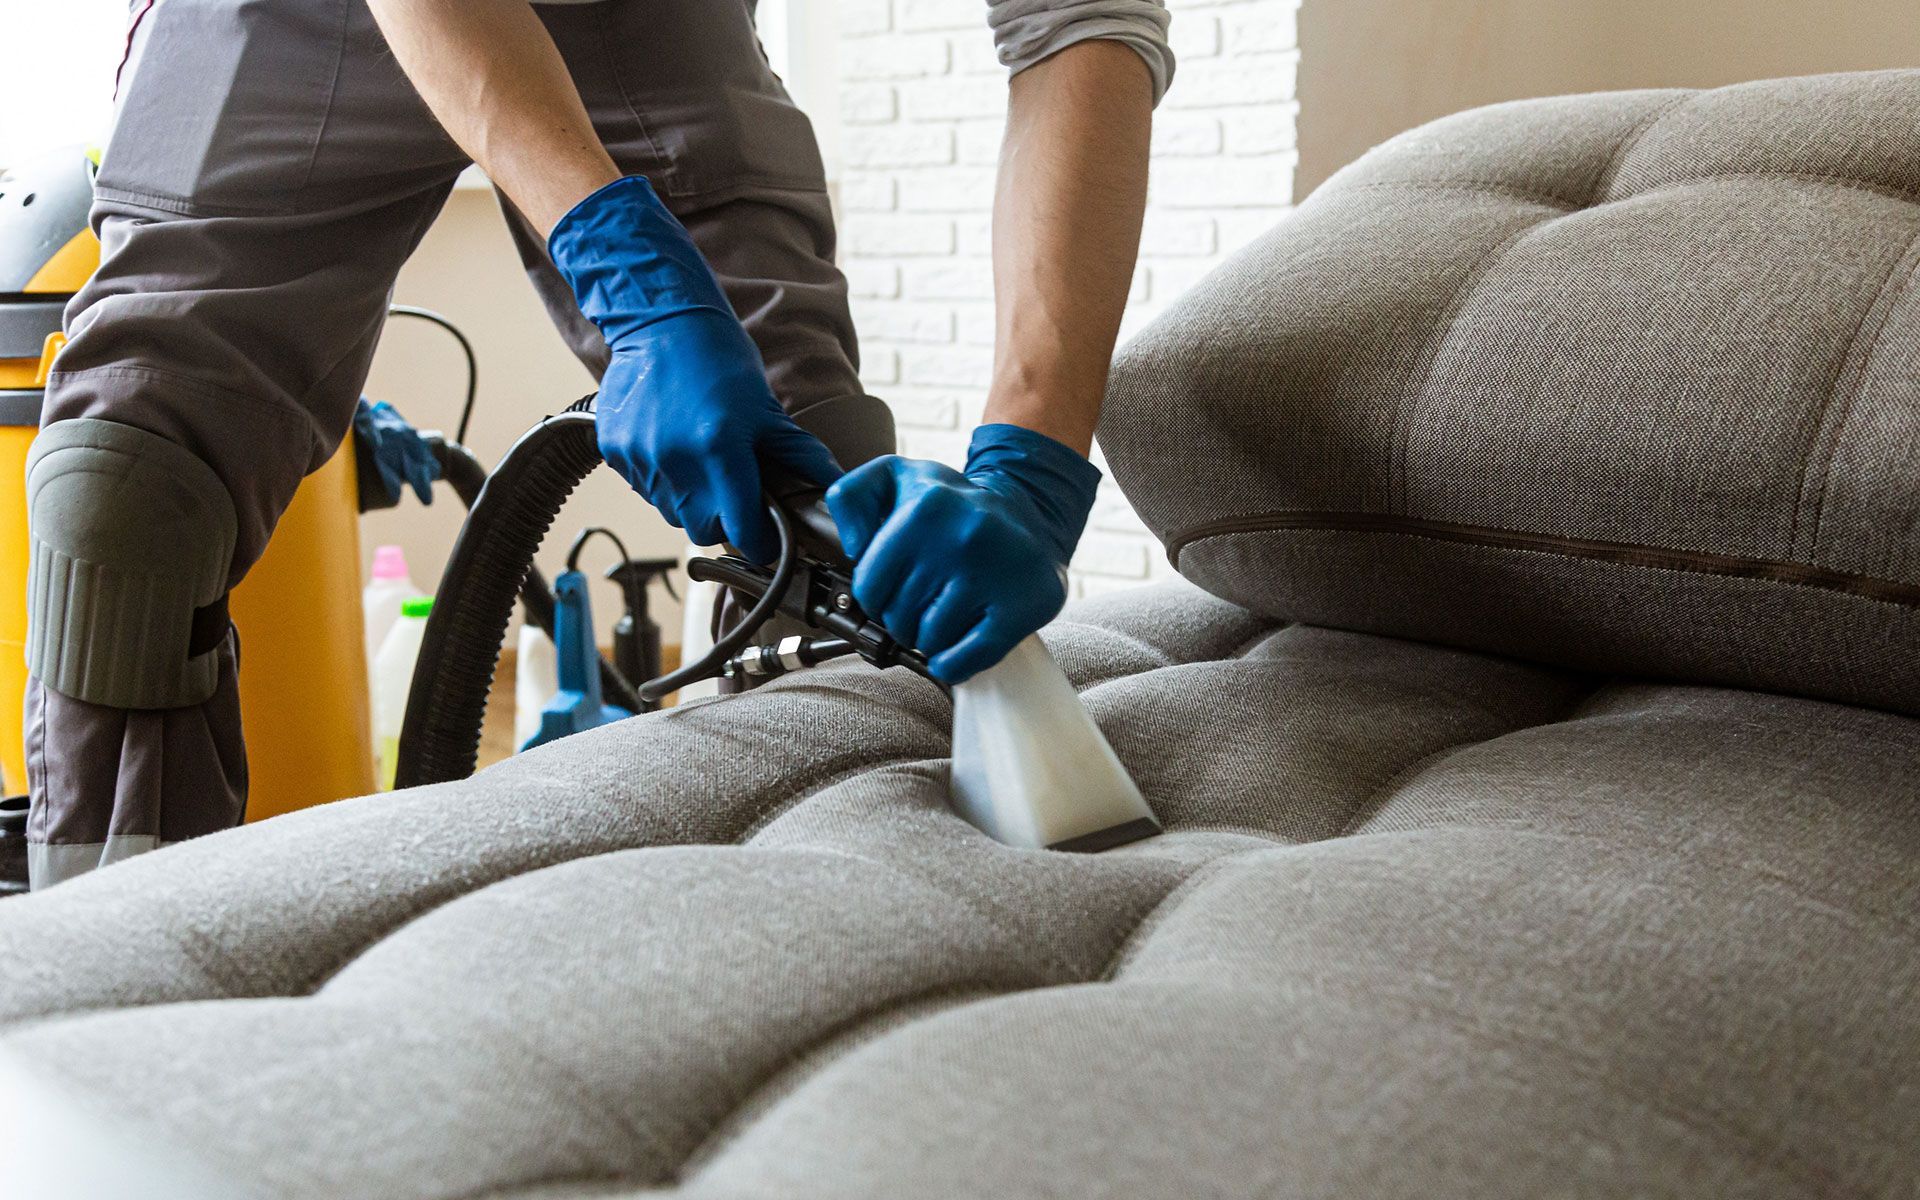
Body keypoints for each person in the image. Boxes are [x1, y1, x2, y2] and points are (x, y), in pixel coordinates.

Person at [22, 0, 1171, 888]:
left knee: (806, 513)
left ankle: (857, 938)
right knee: (123, 505)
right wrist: (628, 270)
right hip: (294, 26)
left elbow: (1081, 26)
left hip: (637, 17)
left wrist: (1033, 462)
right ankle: (105, 1003)